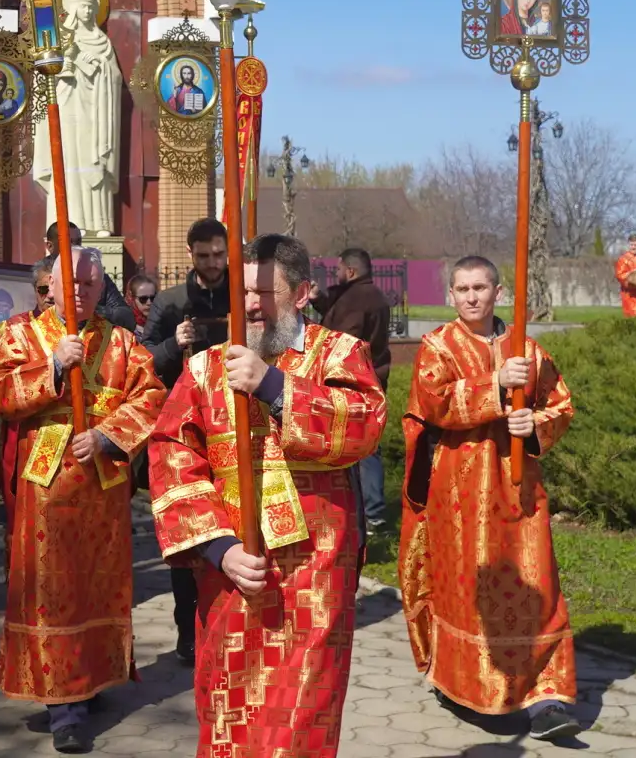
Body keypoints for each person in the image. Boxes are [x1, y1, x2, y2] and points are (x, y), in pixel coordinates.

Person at [147, 232, 387, 757]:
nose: (251, 304)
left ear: (301, 294)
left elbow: (365, 425)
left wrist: (274, 386)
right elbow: (171, 458)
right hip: (232, 574)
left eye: (265, 292)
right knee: (228, 714)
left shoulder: (339, 353)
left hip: (315, 578)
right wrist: (219, 549)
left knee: (301, 720)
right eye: (244, 291)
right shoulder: (204, 368)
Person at [0, 246, 165, 754]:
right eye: (72, 283)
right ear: (52, 286)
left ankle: (93, 678)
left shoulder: (123, 341)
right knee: (54, 590)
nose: (81, 291)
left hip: (102, 482)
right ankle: (63, 704)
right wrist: (54, 369)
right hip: (48, 484)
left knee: (99, 586)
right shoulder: (22, 334)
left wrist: (108, 436)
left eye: (90, 283)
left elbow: (150, 396)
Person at [398, 255, 579, 742]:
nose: (472, 296)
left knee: (536, 585)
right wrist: (494, 387)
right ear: (451, 295)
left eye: (481, 287)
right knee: (469, 591)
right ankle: (466, 683)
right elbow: (431, 403)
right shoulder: (439, 345)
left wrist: (534, 425)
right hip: (459, 493)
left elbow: (560, 405)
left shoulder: (529, 350)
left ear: (499, 292)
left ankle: (547, 697)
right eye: (462, 289)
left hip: (520, 490)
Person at [138, 216, 234, 664]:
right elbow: (143, 364)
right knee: (188, 533)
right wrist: (173, 344)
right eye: (204, 256)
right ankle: (186, 627)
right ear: (190, 254)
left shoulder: (243, 296)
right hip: (187, 433)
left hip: (238, 428)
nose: (213, 264)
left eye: (219, 254)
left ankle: (231, 623)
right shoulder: (171, 301)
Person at [312, 247, 396, 537]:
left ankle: (368, 513)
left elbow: (343, 336)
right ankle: (370, 512)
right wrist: (321, 301)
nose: (335, 275)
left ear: (349, 270)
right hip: (372, 379)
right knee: (368, 447)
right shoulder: (372, 296)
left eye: (338, 270)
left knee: (358, 450)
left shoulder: (357, 300)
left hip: (353, 383)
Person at [42, 221, 136, 330]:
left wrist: (90, 309)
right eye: (69, 243)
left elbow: (125, 316)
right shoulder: (39, 274)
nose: (75, 248)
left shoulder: (94, 275)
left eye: (78, 242)